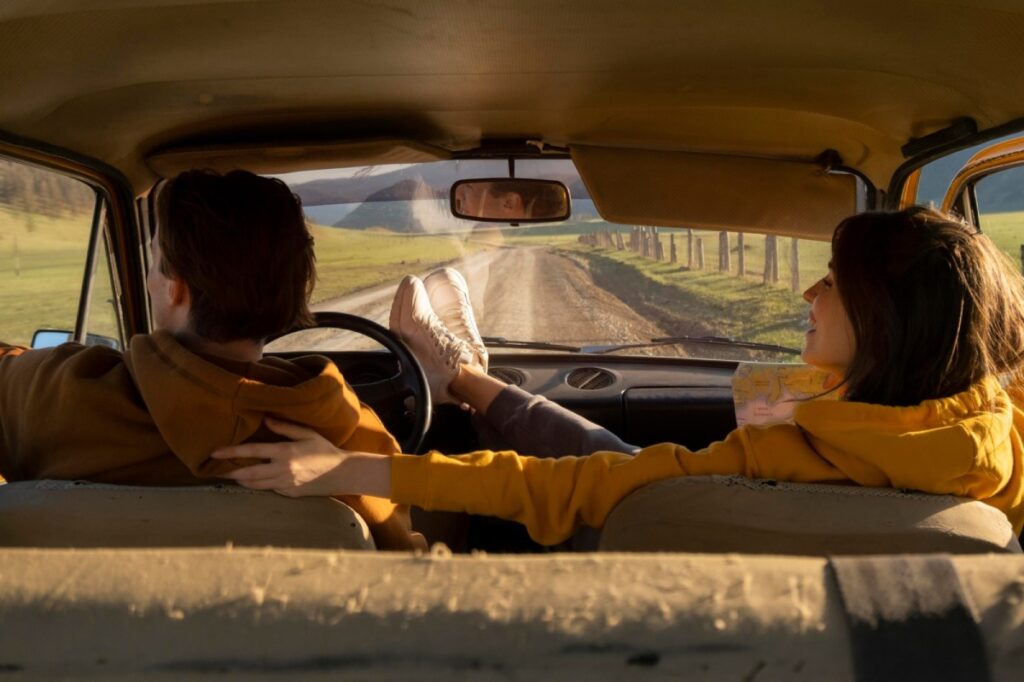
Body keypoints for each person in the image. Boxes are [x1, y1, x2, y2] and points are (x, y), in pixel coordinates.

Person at [213, 207, 1024, 545]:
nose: (808, 293)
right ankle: (464, 375)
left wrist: (349, 468)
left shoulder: (773, 460)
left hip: (666, 553)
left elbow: (552, 489)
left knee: (601, 467)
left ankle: (460, 377)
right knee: (611, 459)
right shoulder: (1002, 449)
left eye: (833, 284)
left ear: (883, 323)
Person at [0, 169, 423, 550]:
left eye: (153, 261)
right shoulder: (351, 435)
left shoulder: (55, 393)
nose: (148, 278)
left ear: (176, 288)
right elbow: (404, 559)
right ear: (296, 290)